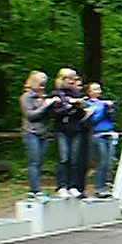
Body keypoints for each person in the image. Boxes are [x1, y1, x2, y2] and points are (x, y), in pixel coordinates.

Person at [19, 70, 58, 200]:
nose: (42, 87)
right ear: (33, 83)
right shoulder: (26, 97)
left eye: (44, 84)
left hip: (44, 133)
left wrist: (53, 105)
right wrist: (45, 106)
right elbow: (30, 115)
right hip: (31, 133)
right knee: (34, 161)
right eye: (40, 84)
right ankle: (34, 190)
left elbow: (50, 116)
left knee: (40, 161)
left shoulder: (44, 97)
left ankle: (37, 189)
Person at [51, 68, 89, 198]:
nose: (72, 81)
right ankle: (62, 186)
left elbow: (83, 113)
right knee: (64, 158)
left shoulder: (78, 94)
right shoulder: (55, 94)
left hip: (76, 129)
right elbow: (54, 112)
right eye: (69, 78)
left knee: (75, 158)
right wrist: (69, 106)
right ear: (63, 79)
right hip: (62, 129)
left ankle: (74, 186)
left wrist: (78, 106)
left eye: (74, 78)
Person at [86, 82, 117, 198]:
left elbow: (112, 119)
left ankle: (106, 184)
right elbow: (93, 119)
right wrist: (103, 108)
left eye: (99, 89)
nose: (98, 91)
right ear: (89, 92)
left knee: (109, 162)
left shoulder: (104, 103)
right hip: (97, 134)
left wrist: (110, 109)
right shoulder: (88, 104)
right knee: (102, 161)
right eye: (94, 89)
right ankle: (99, 187)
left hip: (109, 133)